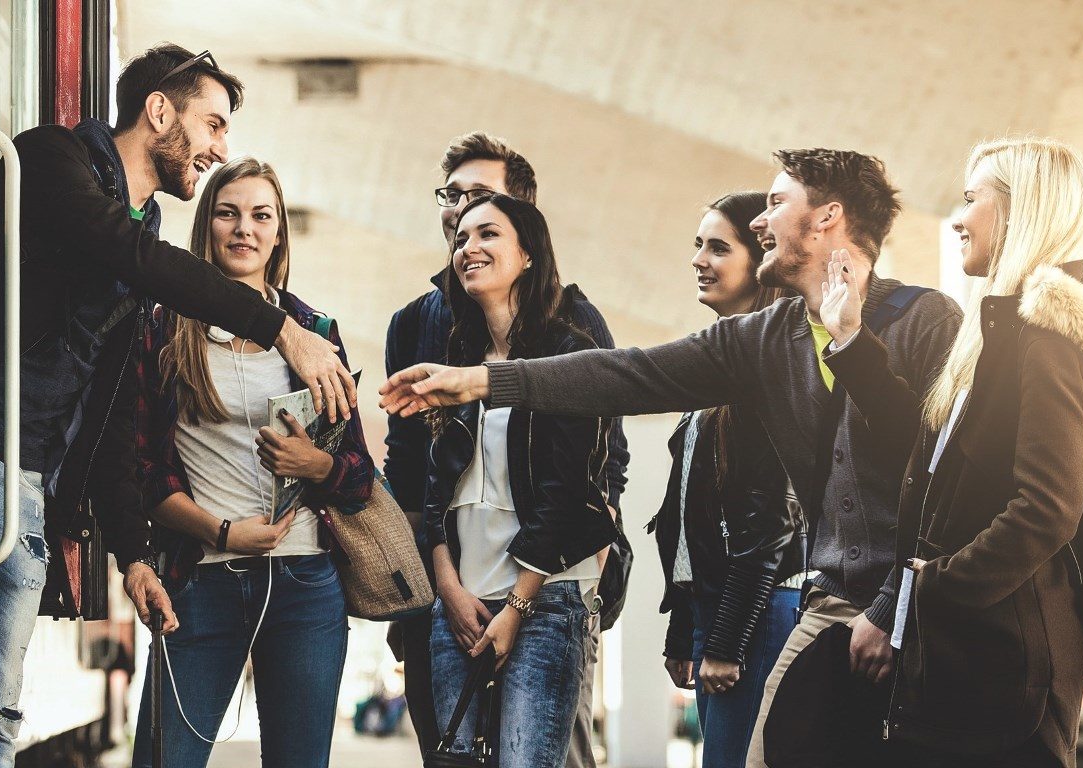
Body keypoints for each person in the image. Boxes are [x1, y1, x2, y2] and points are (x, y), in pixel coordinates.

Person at [377, 149, 964, 767]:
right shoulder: (765, 337)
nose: (761, 223)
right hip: (829, 605)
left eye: (775, 203)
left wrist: (893, 604)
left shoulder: (927, 320)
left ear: (827, 218)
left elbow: (944, 484)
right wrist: (481, 382)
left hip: (918, 606)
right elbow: (627, 374)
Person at [0, 45, 356, 768]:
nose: (218, 146)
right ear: (157, 111)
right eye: (211, 124)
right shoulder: (55, 162)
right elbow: (131, 261)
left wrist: (131, 558)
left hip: (32, 479)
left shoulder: (138, 226)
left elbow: (111, 418)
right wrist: (280, 331)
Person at [818, 137, 1083, 767]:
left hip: (1007, 674)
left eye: (973, 199)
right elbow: (932, 463)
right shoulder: (1001, 332)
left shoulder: (1047, 335)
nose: (957, 217)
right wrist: (853, 342)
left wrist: (929, 590)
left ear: (1021, 210)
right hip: (975, 660)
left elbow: (1048, 508)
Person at [384, 131, 630, 767]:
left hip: (547, 585)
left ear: (527, 233)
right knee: (451, 756)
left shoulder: (574, 328)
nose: (464, 227)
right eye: (454, 203)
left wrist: (587, 555)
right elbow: (416, 477)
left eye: (483, 209)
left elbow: (600, 465)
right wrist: (426, 590)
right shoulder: (424, 328)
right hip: (453, 590)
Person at [130, 157, 374, 768]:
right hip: (201, 579)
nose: (245, 229)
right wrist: (221, 532)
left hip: (306, 587)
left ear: (279, 233)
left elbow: (359, 475)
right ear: (205, 226)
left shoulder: (315, 333)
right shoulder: (163, 329)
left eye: (261, 215)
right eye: (227, 213)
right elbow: (142, 469)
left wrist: (315, 464)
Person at [655, 192, 804, 767]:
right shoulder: (718, 374)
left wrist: (725, 642)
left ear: (759, 261)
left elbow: (768, 524)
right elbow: (690, 519)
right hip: (723, 613)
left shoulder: (771, 373)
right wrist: (685, 629)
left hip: (760, 615)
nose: (699, 259)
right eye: (698, 245)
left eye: (718, 247)